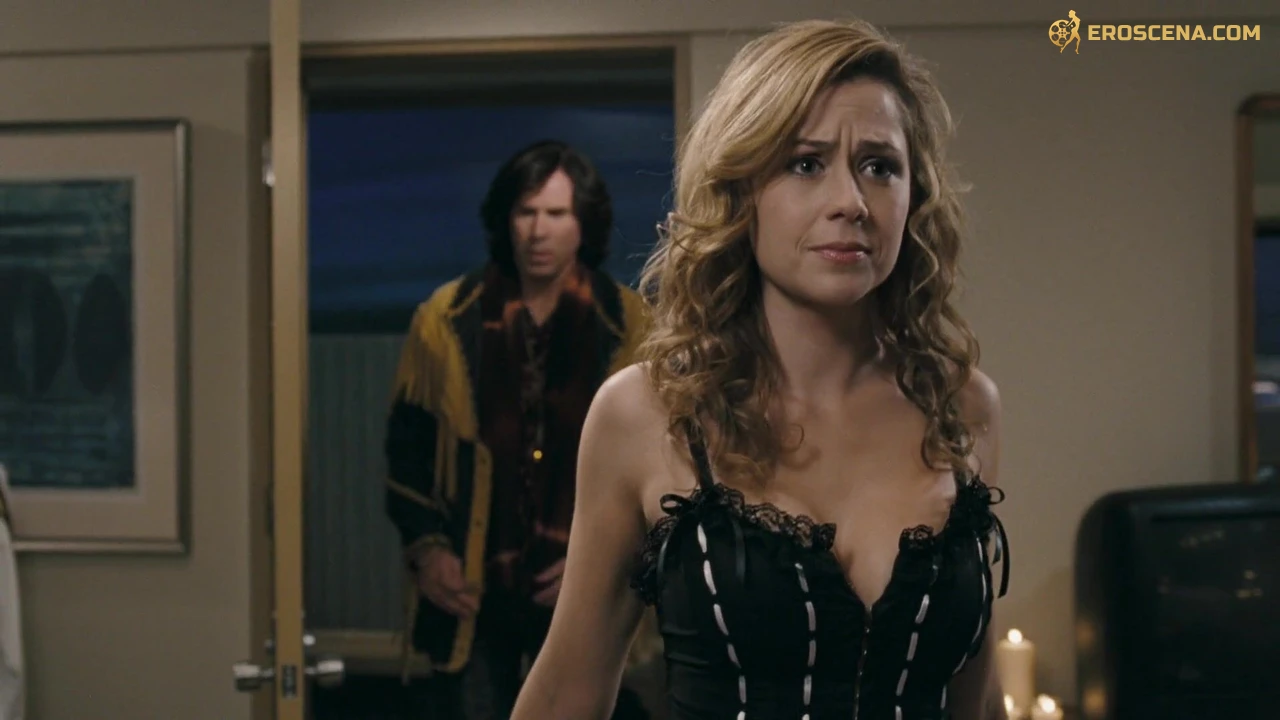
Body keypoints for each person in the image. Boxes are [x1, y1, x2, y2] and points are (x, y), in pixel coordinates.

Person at [511, 18, 1011, 720]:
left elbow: (976, 700)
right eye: (806, 164)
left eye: (879, 166)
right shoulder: (646, 413)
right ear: (742, 190)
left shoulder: (963, 406)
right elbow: (567, 694)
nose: (851, 202)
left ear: (914, 196)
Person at [383, 139, 658, 719]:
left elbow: (659, 464)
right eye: (525, 212)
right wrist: (428, 550)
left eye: (555, 213)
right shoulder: (447, 318)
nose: (538, 231)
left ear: (583, 223)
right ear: (505, 219)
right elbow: (406, 450)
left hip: (585, 585)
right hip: (474, 589)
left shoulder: (629, 323)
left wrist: (607, 560)